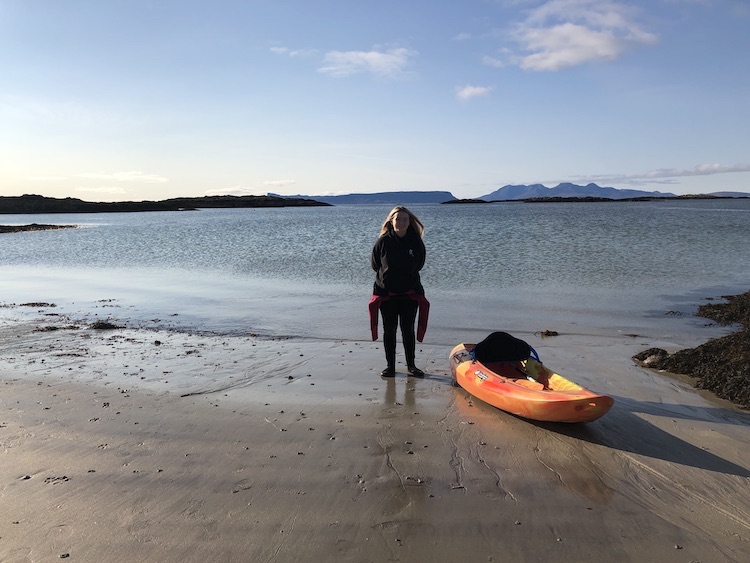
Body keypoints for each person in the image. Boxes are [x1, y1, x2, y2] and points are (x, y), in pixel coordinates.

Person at [369, 206, 429, 378]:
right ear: (391, 221)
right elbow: (375, 265)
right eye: (397, 219)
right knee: (389, 330)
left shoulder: (415, 241)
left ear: (409, 222)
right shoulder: (383, 242)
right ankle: (390, 367)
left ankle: (411, 366)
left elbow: (419, 264)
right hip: (387, 294)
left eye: (404, 219)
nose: (401, 222)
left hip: (410, 293)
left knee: (407, 329)